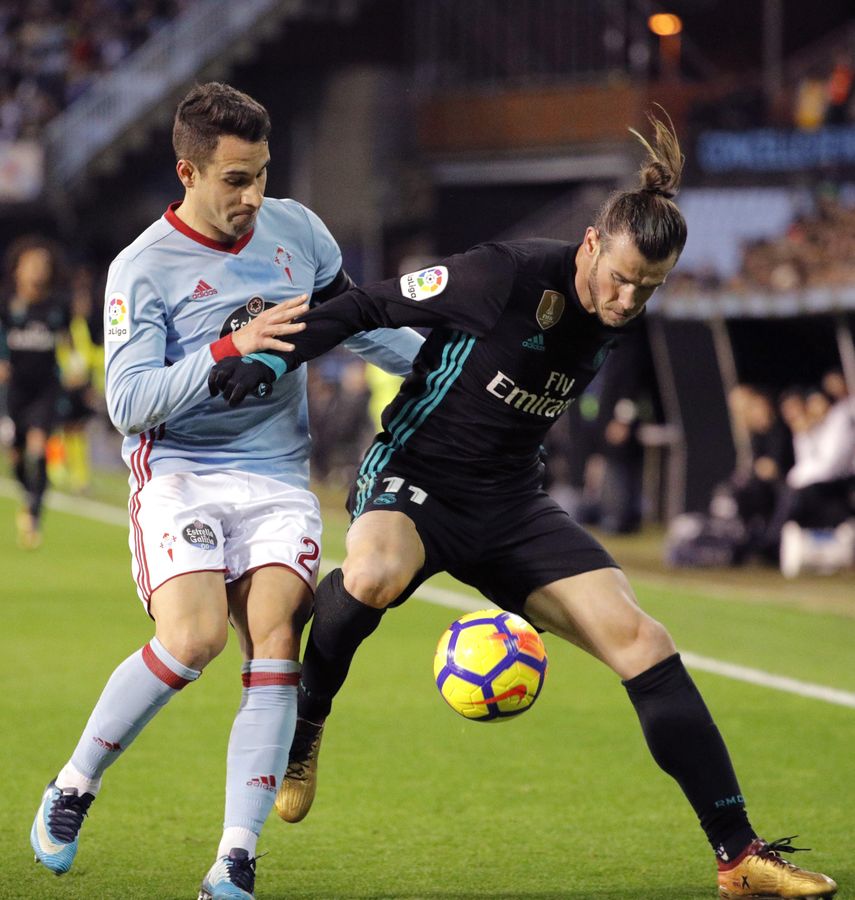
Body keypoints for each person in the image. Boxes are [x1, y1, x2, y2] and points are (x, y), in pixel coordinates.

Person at [209, 112, 838, 899]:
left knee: (642, 639)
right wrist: (266, 358)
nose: (625, 298)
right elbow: (366, 307)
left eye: (647, 288)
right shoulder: (502, 276)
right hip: (417, 475)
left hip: (509, 502)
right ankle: (306, 720)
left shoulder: (621, 305)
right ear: (587, 244)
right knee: (370, 572)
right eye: (617, 278)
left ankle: (736, 856)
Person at [29, 82, 423, 900]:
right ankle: (73, 784)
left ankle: (233, 860)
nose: (253, 197)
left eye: (262, 175)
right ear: (188, 171)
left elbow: (361, 320)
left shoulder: (299, 233)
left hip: (277, 474)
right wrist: (225, 348)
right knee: (197, 638)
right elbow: (128, 403)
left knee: (275, 638)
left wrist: (446, 367)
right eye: (235, 180)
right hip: (179, 473)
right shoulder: (140, 268)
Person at [0, 235, 70, 549]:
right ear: (17, 269)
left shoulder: (57, 307)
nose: (37, 270)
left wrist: (73, 367)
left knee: (38, 446)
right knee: (15, 453)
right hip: (13, 390)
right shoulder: (6, 304)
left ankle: (33, 513)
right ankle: (28, 495)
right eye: (31, 264)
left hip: (45, 388)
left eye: (42, 265)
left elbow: (68, 343)